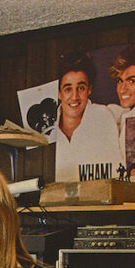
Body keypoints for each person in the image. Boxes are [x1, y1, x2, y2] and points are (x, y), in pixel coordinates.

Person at [52, 52, 122, 182]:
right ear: (59, 93)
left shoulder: (103, 116)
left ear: (89, 90)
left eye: (81, 88)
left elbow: (115, 170)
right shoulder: (47, 124)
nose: (74, 97)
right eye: (68, 89)